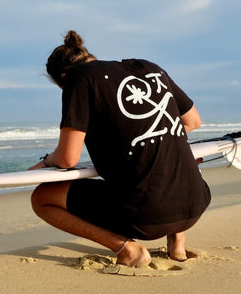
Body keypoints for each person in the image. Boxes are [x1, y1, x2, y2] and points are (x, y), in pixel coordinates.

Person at [28, 30, 211, 267]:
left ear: (63, 78)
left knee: (41, 198)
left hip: (148, 218)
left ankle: (128, 249)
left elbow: (67, 158)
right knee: (166, 157)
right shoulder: (149, 67)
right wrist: (136, 138)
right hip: (196, 204)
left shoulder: (78, 77)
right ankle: (177, 246)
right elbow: (192, 122)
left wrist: (47, 160)